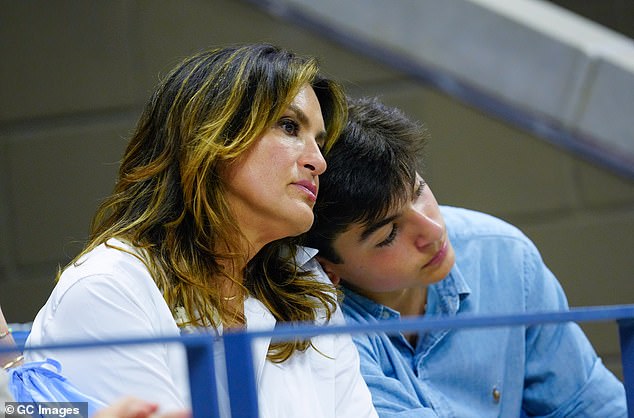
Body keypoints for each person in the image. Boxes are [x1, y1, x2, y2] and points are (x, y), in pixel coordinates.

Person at [24, 44, 376, 418]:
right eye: (289, 126)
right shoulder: (108, 288)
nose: (318, 162)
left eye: (319, 144)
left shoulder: (308, 290)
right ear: (209, 138)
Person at [305, 97, 627, 417]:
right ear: (327, 267)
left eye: (418, 192)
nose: (432, 231)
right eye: (388, 234)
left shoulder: (503, 255)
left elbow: (589, 404)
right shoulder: (319, 328)